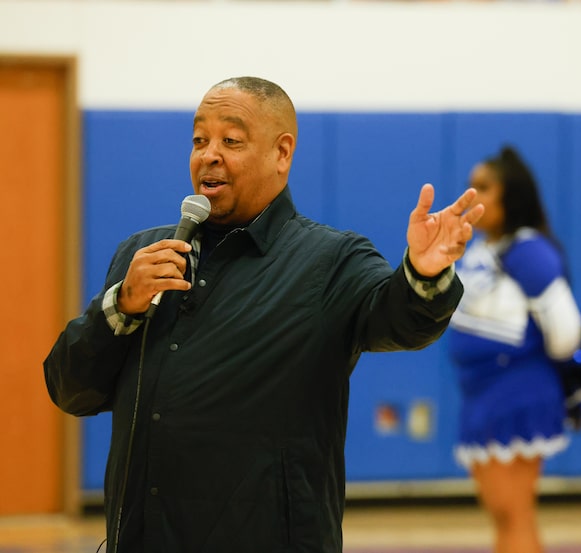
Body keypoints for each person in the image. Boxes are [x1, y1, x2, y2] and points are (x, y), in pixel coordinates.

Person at [43, 76, 484, 553]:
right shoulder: (143, 256)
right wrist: (120, 307)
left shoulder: (328, 260)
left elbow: (402, 320)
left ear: (282, 153)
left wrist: (424, 271)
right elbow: (71, 390)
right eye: (199, 140)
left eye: (230, 141)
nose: (208, 154)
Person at [446, 146, 581, 553]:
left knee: (514, 513)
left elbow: (567, 333)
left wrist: (521, 368)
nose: (473, 196)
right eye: (470, 186)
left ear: (512, 195)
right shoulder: (484, 248)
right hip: (481, 396)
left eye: (484, 187)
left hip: (516, 395)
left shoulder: (529, 251)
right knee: (503, 514)